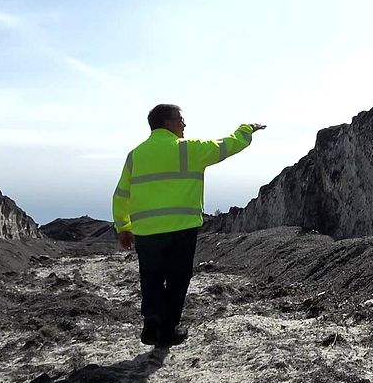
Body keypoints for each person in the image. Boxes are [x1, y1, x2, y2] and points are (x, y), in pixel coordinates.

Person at [112, 104, 266, 346]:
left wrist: (123, 227)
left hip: (147, 231)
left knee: (150, 277)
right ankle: (168, 330)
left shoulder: (136, 155)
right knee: (178, 278)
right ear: (167, 123)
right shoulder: (189, 150)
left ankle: (152, 318)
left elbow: (121, 195)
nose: (184, 125)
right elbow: (226, 145)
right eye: (180, 120)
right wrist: (246, 130)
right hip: (181, 228)